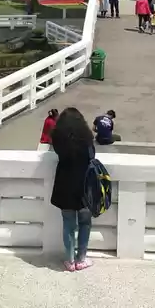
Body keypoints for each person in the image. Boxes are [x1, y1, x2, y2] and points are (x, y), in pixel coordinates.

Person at [50, 107, 96, 271]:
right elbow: (92, 157)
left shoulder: (58, 139)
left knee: (68, 224)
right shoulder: (87, 139)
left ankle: (69, 260)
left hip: (65, 187)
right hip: (84, 188)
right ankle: (81, 259)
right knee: (85, 223)